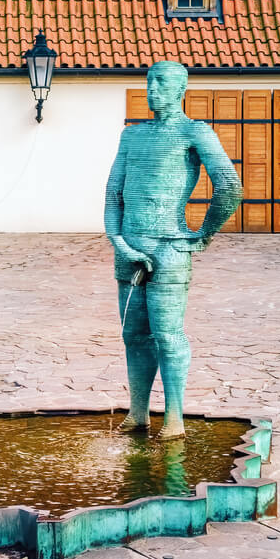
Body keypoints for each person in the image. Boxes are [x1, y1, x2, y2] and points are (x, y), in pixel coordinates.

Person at [104, 61, 241, 440]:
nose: (153, 89)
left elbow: (229, 185)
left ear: (182, 89)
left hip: (169, 248)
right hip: (129, 248)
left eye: (162, 83)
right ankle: (138, 412)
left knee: (167, 333)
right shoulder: (131, 136)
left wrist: (203, 234)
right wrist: (117, 241)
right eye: (149, 82)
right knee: (133, 333)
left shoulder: (193, 132)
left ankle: (175, 416)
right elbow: (114, 192)